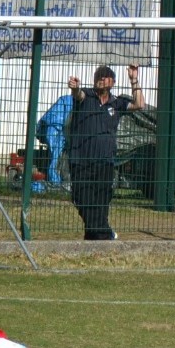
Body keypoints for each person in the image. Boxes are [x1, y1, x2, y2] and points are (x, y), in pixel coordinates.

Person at [66, 64, 145, 240]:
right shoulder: (86, 96)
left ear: (113, 82)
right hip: (81, 159)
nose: (101, 78)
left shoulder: (116, 103)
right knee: (82, 198)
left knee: (101, 202)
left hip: (105, 161)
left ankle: (95, 236)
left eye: (106, 76)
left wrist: (134, 79)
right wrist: (76, 87)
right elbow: (78, 94)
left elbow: (140, 104)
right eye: (98, 76)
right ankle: (106, 232)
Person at [31, 92, 73, 194]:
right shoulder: (66, 105)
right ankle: (57, 182)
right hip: (58, 131)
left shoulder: (66, 103)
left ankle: (58, 183)